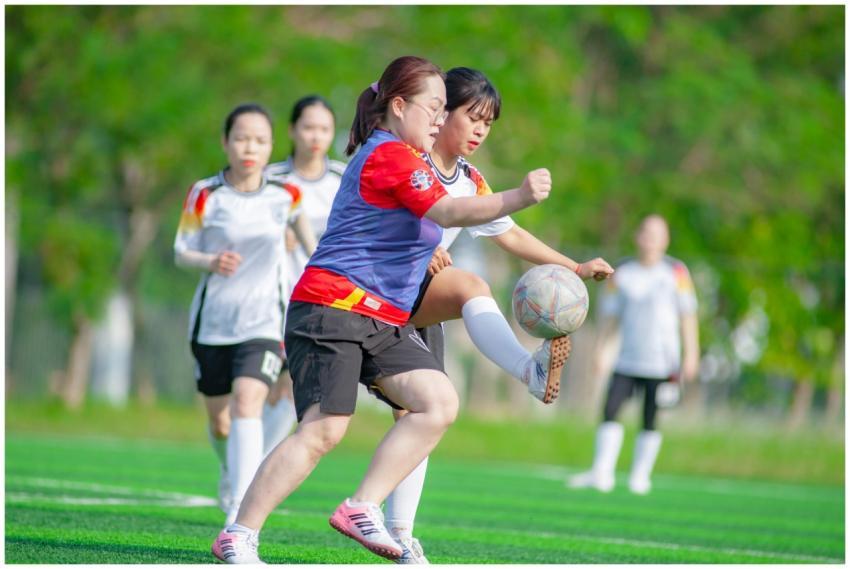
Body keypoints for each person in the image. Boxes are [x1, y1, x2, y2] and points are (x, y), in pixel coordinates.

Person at [211, 55, 554, 564]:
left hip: (382, 316)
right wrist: (518, 195)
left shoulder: (414, 159)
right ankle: (238, 535)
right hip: (332, 307)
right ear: (398, 106)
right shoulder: (389, 155)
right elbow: (448, 211)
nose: (440, 120)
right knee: (324, 430)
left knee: (437, 402)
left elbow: (453, 212)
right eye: (434, 109)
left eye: (444, 111)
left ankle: (362, 506)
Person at [382, 67, 614, 564]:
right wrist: (421, 252)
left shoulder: (469, 181)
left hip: (414, 305)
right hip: (369, 297)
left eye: (490, 122)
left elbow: (510, 235)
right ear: (441, 113)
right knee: (321, 424)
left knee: (419, 418)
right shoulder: (404, 159)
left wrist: (573, 265)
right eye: (474, 117)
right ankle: (528, 370)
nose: (482, 130)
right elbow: (376, 220)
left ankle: (401, 532)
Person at [173, 103, 317, 527]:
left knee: (247, 402)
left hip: (265, 323)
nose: (249, 147)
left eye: (259, 139)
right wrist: (210, 260)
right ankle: (229, 469)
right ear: (226, 142)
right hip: (213, 324)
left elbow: (311, 247)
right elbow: (181, 251)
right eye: (241, 138)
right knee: (221, 424)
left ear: (271, 145)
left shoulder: (286, 195)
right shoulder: (205, 193)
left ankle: (240, 513)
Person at [567, 214, 700, 495]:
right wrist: (602, 350)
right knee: (610, 410)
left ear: (666, 240)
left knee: (651, 416)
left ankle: (640, 476)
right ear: (637, 236)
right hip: (627, 358)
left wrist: (691, 354)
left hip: (663, 361)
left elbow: (688, 315)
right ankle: (601, 473)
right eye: (646, 232)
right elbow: (611, 317)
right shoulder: (623, 272)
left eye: (657, 234)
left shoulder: (676, 272)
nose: (651, 239)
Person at [262, 95, 345, 457]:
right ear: (293, 130)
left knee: (292, 386)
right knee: (255, 390)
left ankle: (253, 470)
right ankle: (244, 465)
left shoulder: (344, 178)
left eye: (324, 129)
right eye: (309, 127)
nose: (316, 136)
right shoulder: (270, 179)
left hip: (321, 299)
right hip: (269, 298)